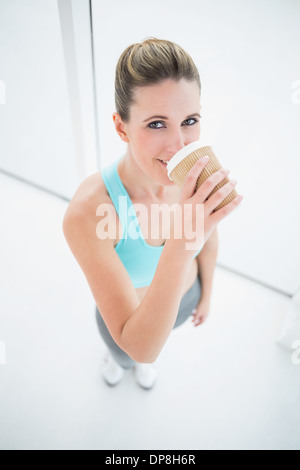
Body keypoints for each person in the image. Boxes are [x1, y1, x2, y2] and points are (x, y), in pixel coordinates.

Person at [62, 38, 243, 390]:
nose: (179, 145)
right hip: (131, 322)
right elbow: (141, 344)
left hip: (185, 296)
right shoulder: (88, 213)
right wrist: (180, 240)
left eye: (189, 120)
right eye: (157, 124)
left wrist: (206, 293)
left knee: (161, 339)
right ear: (121, 127)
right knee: (130, 356)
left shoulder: (193, 173)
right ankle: (116, 361)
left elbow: (208, 237)